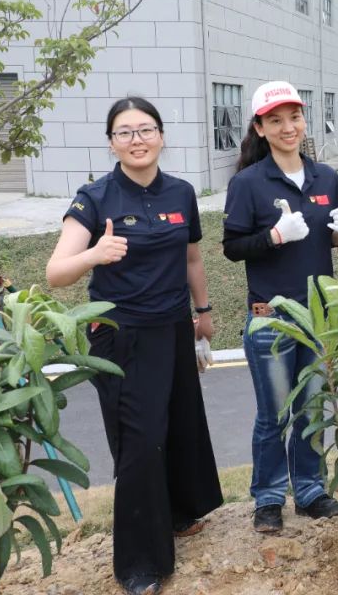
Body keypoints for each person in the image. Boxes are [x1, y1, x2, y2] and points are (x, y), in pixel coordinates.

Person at [46, 98, 222, 595]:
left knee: (181, 422)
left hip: (172, 326)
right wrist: (94, 254)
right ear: (111, 143)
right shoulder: (95, 198)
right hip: (119, 334)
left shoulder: (182, 192)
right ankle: (139, 563)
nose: (136, 139)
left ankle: (182, 513)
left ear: (162, 136)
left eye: (145, 129)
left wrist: (203, 314)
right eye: (124, 132)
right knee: (140, 441)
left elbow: (191, 259)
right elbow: (56, 272)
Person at [222, 81, 338, 534]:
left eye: (294, 117)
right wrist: (274, 237)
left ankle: (311, 489)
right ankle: (270, 496)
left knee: (312, 409)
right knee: (274, 414)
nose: (287, 127)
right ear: (260, 127)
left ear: (304, 119)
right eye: (275, 120)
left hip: (318, 316)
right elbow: (232, 247)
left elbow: (330, 239)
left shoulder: (325, 178)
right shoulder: (247, 184)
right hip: (271, 317)